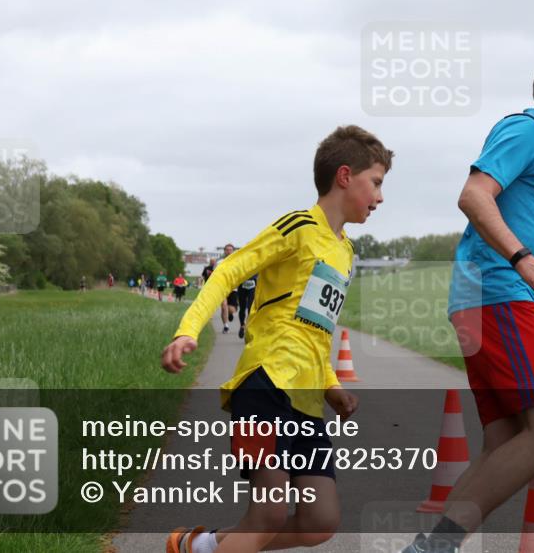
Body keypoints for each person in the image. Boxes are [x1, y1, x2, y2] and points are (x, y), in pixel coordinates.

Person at [403, 45, 534, 553]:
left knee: (507, 441)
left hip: (494, 296)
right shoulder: (524, 130)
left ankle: (428, 548)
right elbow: (473, 195)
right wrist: (524, 259)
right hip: (498, 291)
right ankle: (434, 548)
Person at [162, 125, 392, 553]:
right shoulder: (298, 227)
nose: (380, 198)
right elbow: (230, 270)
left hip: (305, 401)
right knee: (266, 514)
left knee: (320, 521)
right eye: (375, 184)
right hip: (262, 388)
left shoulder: (345, 252)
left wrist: (332, 386)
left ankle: (202, 547)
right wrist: (188, 330)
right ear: (345, 176)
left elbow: (314, 328)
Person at [220, 243, 238, 332]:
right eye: (227, 250)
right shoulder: (220, 262)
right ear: (224, 251)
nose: (229, 251)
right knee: (224, 306)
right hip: (222, 288)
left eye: (230, 250)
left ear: (233, 251)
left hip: (233, 288)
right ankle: (226, 326)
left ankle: (230, 314)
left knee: (231, 309)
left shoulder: (237, 262)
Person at [237, 274, 258, 339]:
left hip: (253, 283)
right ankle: (242, 326)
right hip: (242, 283)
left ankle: (249, 328)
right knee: (242, 308)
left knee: (250, 308)